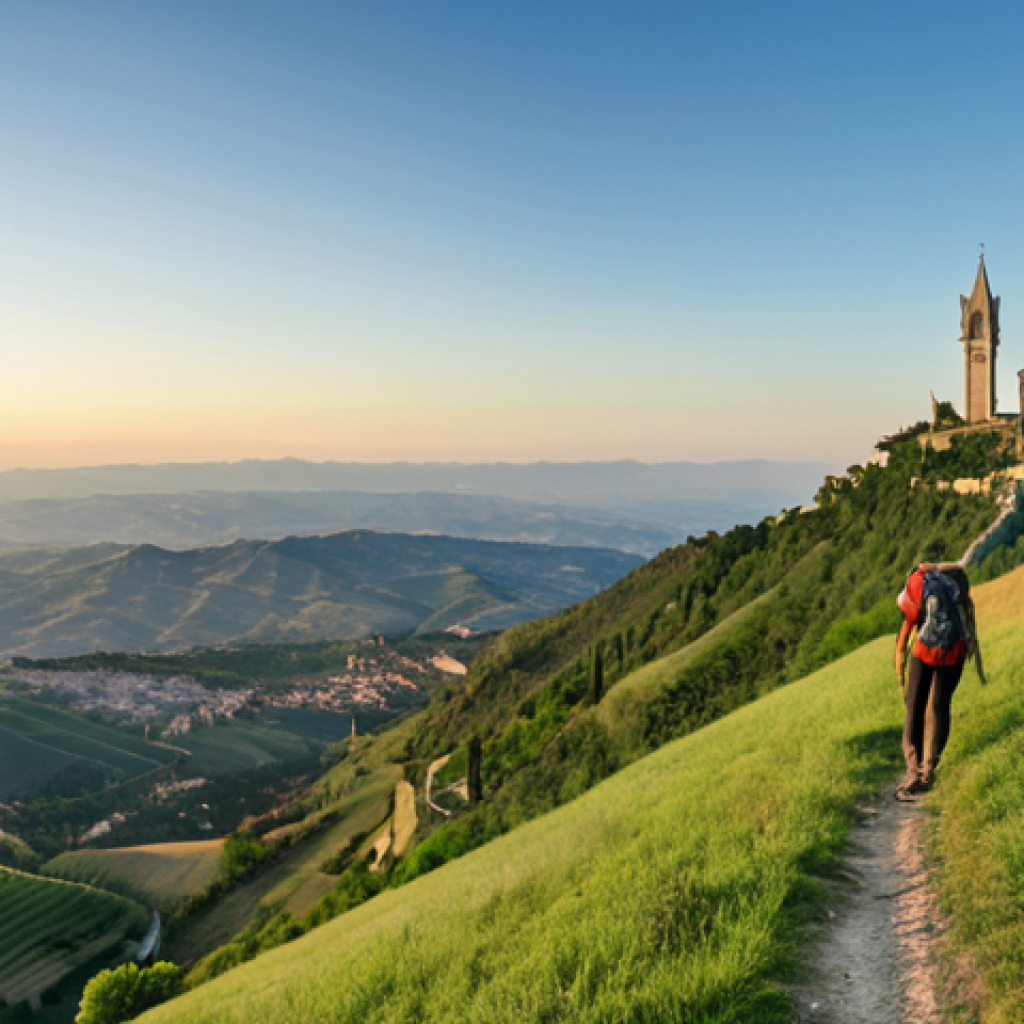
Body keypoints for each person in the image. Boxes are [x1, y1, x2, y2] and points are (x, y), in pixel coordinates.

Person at [893, 560, 983, 799]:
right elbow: (968, 624)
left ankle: (912, 771)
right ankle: (929, 770)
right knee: (940, 706)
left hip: (924, 650)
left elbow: (907, 626)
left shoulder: (917, 583)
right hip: (956, 650)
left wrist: (900, 661)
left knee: (915, 705)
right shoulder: (957, 585)